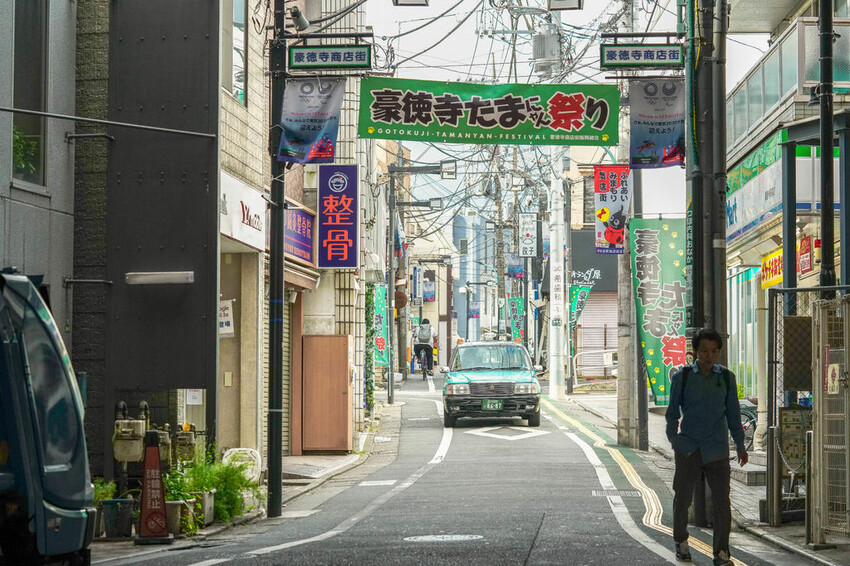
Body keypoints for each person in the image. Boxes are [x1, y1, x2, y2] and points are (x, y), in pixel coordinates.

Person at [665, 328, 748, 566]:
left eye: (713, 351)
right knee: (683, 498)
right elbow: (672, 414)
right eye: (704, 351)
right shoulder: (682, 377)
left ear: (719, 353)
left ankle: (721, 553)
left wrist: (740, 445)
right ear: (695, 352)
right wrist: (675, 440)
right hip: (688, 448)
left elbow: (733, 414)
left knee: (722, 503)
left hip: (717, 449)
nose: (708, 356)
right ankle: (681, 541)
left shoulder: (726, 378)